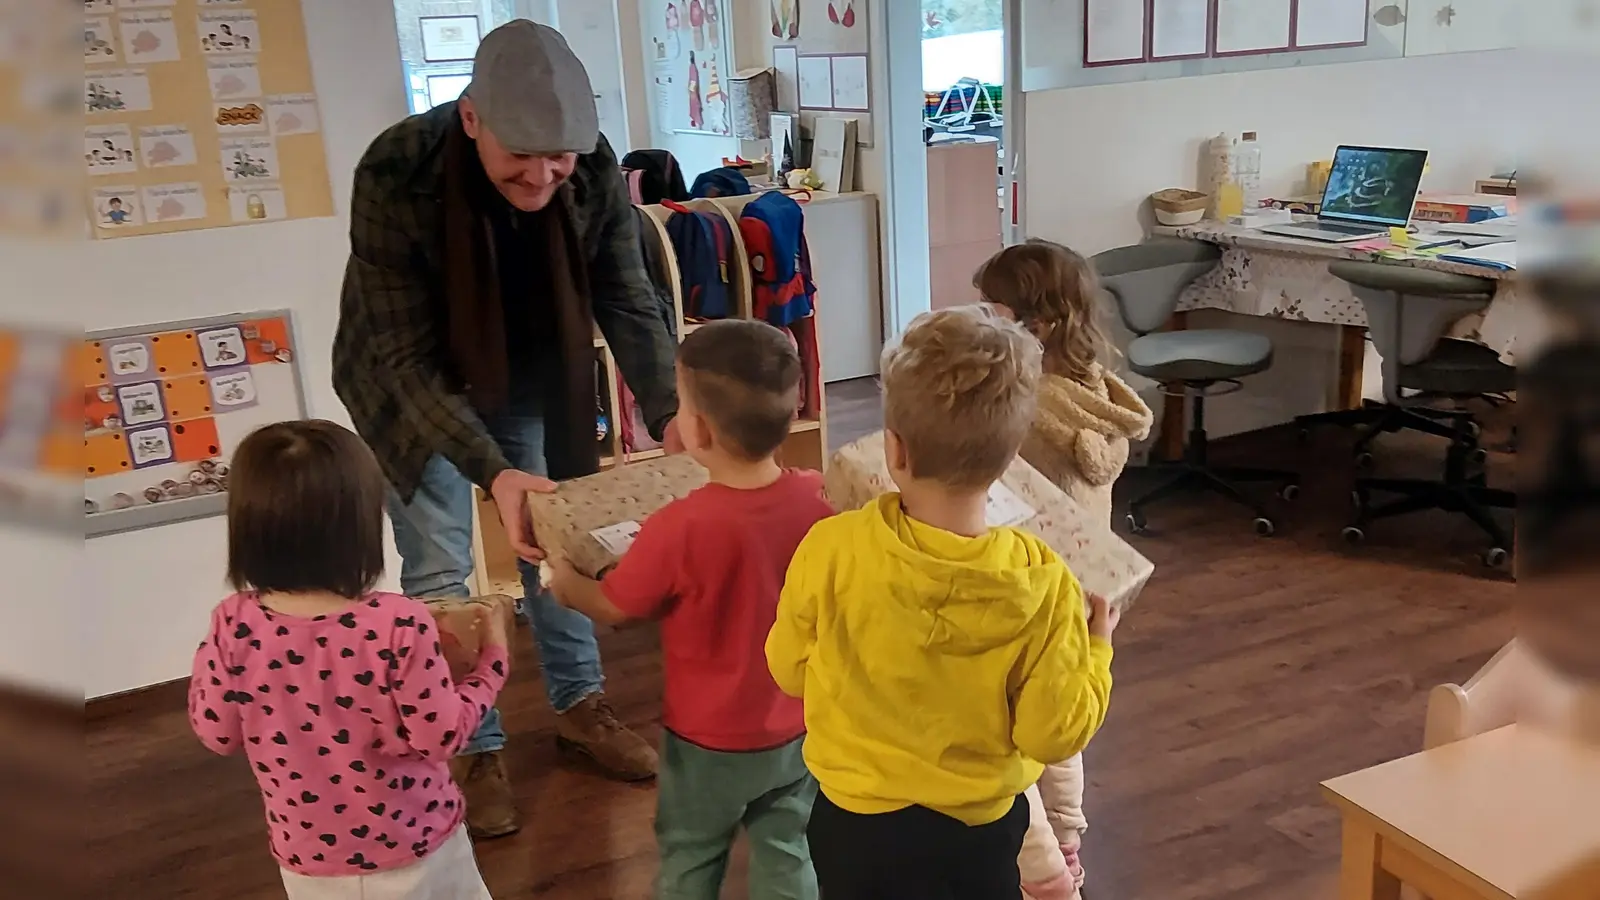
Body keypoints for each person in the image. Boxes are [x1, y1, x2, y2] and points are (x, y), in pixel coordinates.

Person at [333, 19, 682, 837]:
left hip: (527, 369)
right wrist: (494, 471)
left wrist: (671, 411)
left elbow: (627, 298)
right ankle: (472, 741)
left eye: (557, 156)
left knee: (552, 537)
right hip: (405, 378)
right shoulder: (395, 171)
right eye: (520, 155)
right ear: (471, 119)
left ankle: (580, 706)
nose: (541, 173)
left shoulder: (589, 168)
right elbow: (404, 358)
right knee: (440, 560)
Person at [766, 306, 1119, 900]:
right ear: (1010, 462)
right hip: (976, 832)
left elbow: (789, 670)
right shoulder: (1044, 583)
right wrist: (1097, 650)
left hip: (853, 823)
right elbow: (1052, 734)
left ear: (895, 452)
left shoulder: (831, 547)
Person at [547, 320, 831, 900]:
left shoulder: (680, 526)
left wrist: (562, 582)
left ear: (696, 430)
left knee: (691, 854)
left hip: (708, 740)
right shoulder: (819, 499)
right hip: (800, 724)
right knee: (789, 852)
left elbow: (616, 606)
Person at [186, 420, 510, 900]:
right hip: (418, 847)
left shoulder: (232, 624)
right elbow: (440, 736)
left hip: (308, 859)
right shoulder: (399, 623)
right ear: (360, 522)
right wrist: (492, 665)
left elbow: (217, 733)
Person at [974, 240, 1153, 898]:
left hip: (1035, 586)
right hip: (1087, 586)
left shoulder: (1029, 405)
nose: (985, 322)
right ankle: (1069, 840)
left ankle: (1051, 847)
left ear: (1036, 325)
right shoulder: (1093, 391)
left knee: (1035, 728)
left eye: (993, 312)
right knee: (1064, 714)